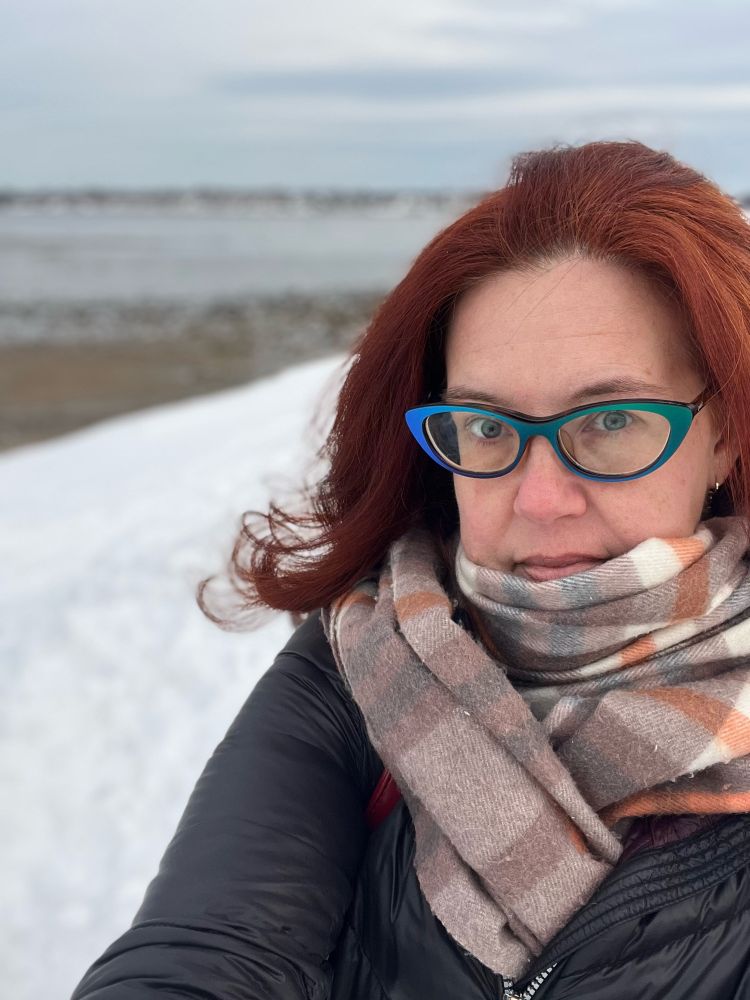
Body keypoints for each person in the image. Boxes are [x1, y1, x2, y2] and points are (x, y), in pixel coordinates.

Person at [70, 140, 750, 1000]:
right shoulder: (367, 663)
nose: (541, 499)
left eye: (610, 421)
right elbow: (210, 950)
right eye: (489, 428)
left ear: (723, 433)